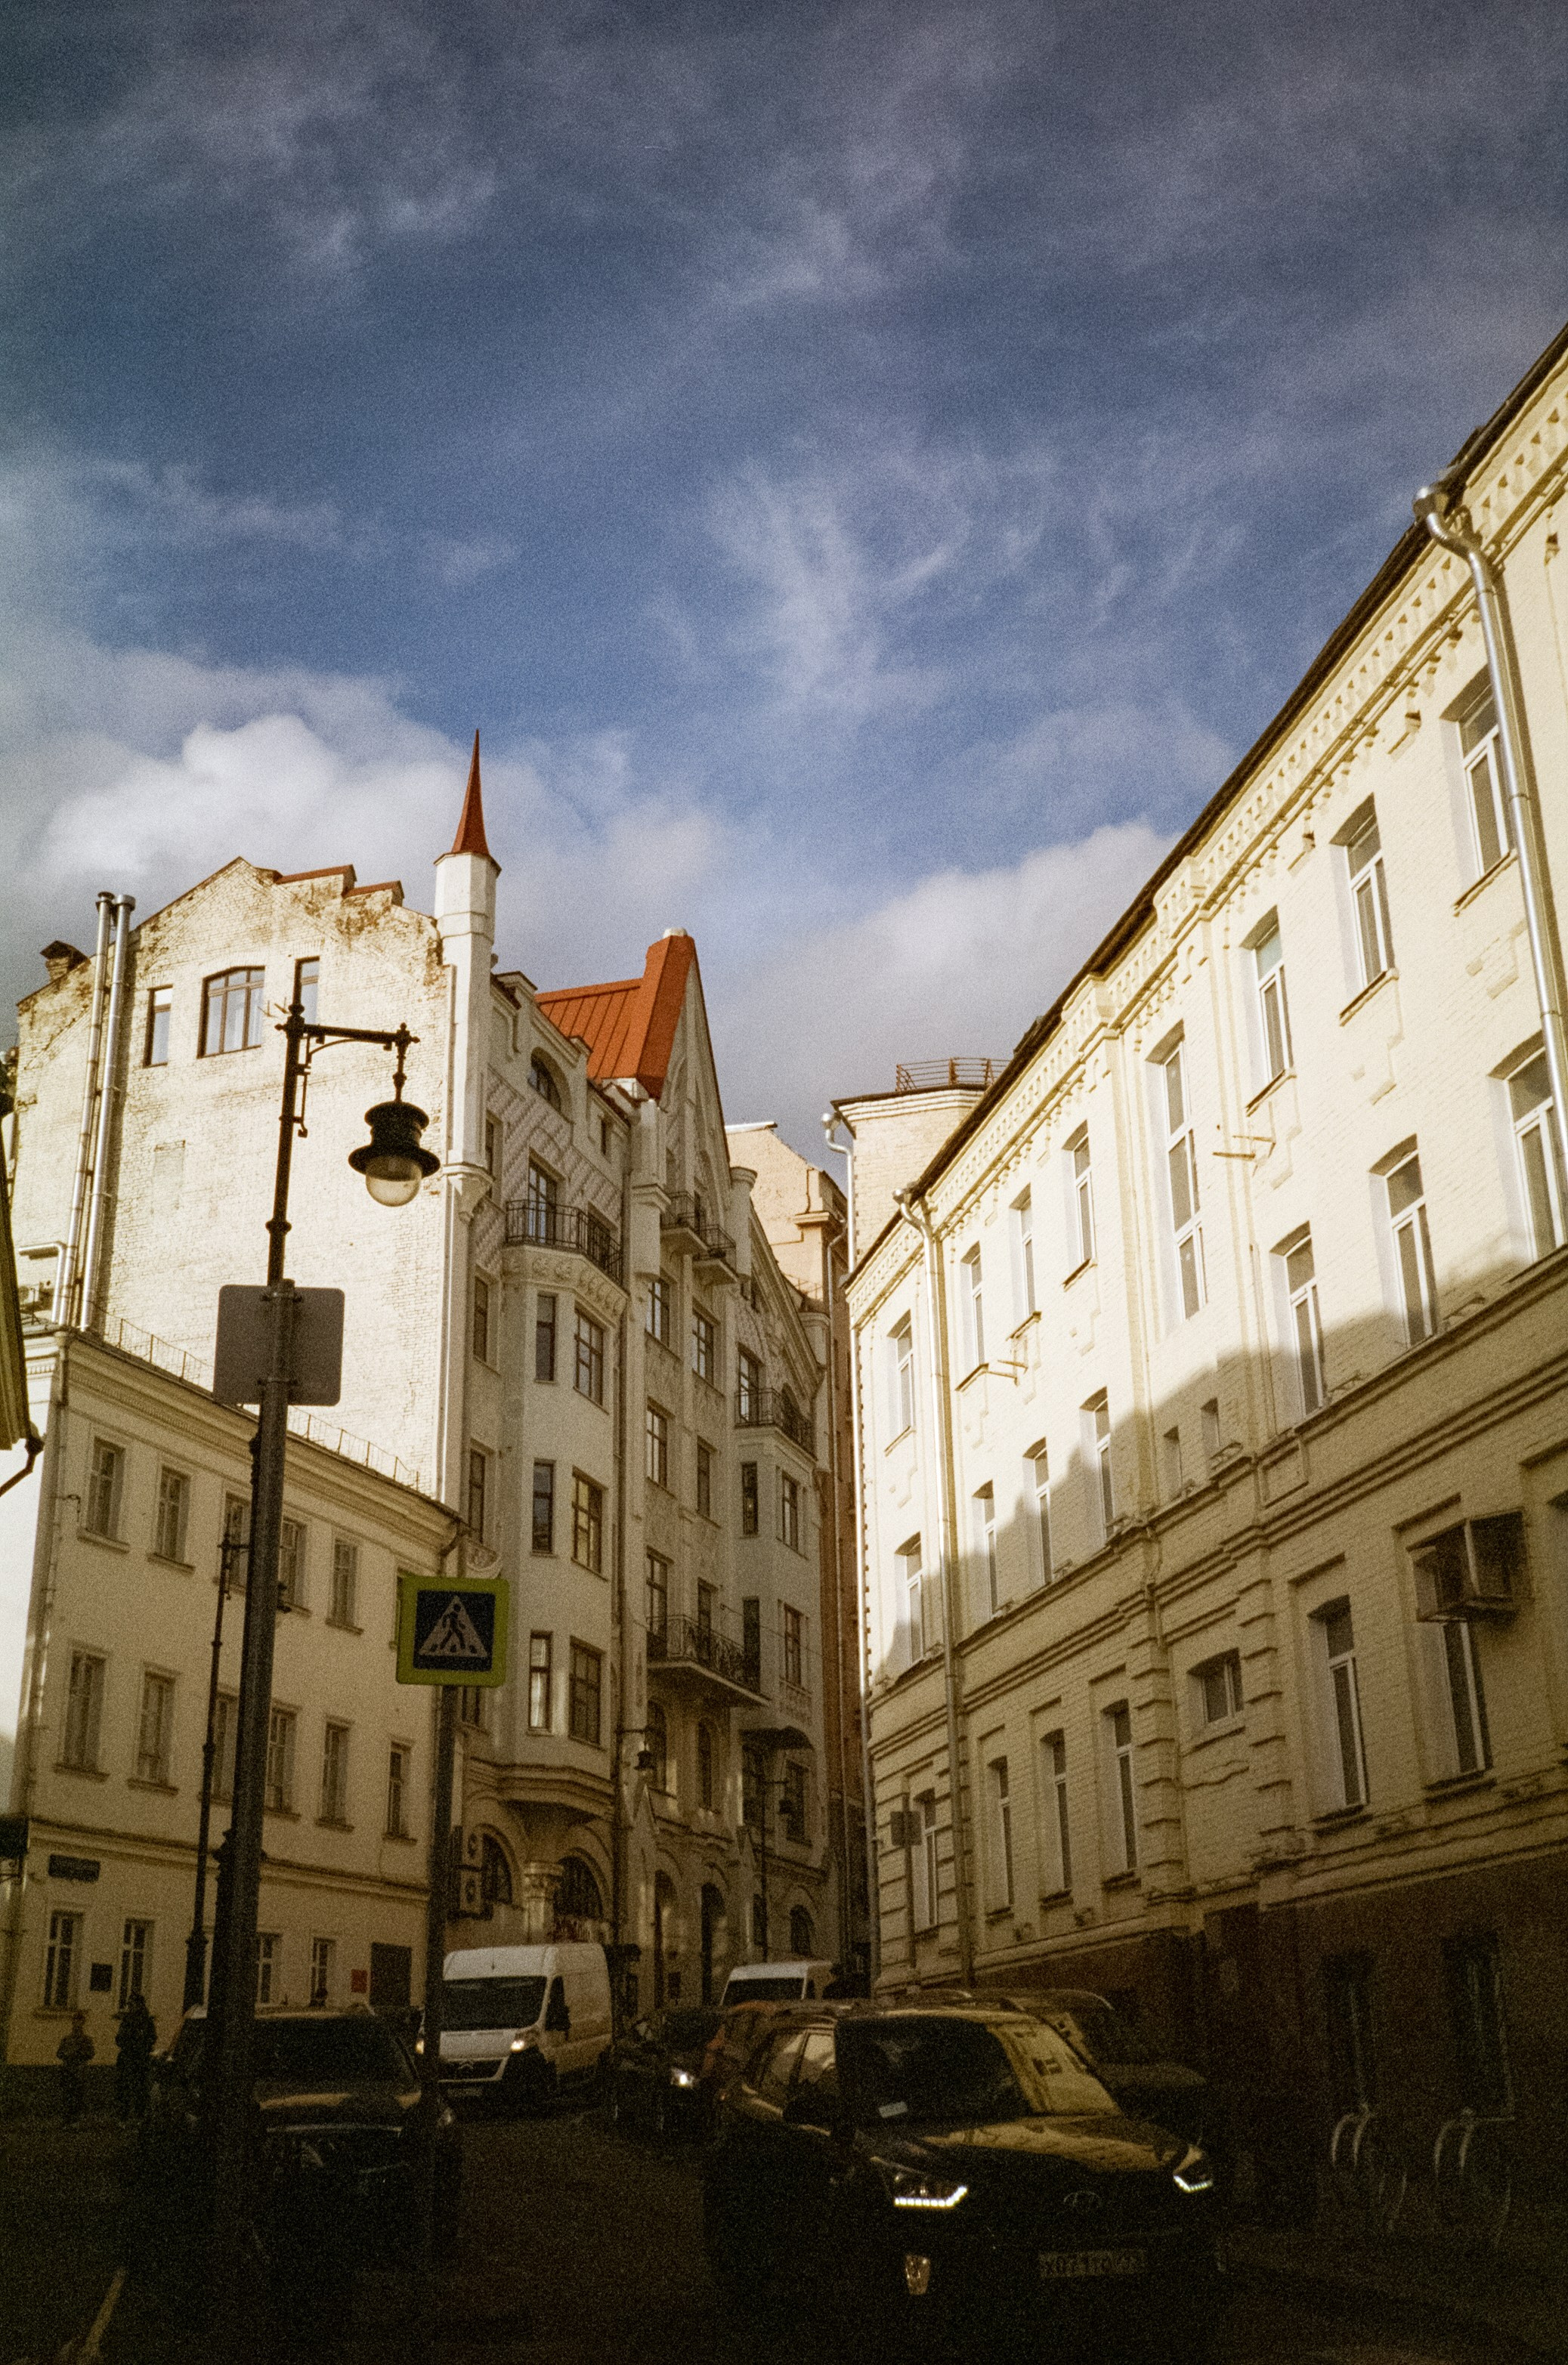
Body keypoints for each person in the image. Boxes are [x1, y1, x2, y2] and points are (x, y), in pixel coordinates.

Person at [115, 1992, 157, 2120]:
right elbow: (119, 2039)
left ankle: (139, 2117)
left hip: (140, 2060)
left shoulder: (146, 2021)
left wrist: (141, 2043)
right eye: (129, 2005)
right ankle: (123, 2117)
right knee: (124, 2090)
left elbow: (152, 2038)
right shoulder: (127, 2021)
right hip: (127, 2059)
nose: (130, 2007)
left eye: (132, 2004)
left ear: (139, 2005)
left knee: (141, 2090)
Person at [57, 2011, 94, 2122]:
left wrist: (79, 2054)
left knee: (78, 2096)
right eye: (75, 2021)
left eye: (80, 2021)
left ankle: (76, 2119)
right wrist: (67, 2055)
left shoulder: (86, 2040)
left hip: (80, 2070)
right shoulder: (66, 2039)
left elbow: (91, 2053)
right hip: (68, 2069)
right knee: (67, 2095)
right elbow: (59, 2053)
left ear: (83, 2023)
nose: (77, 2024)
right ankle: (67, 2119)